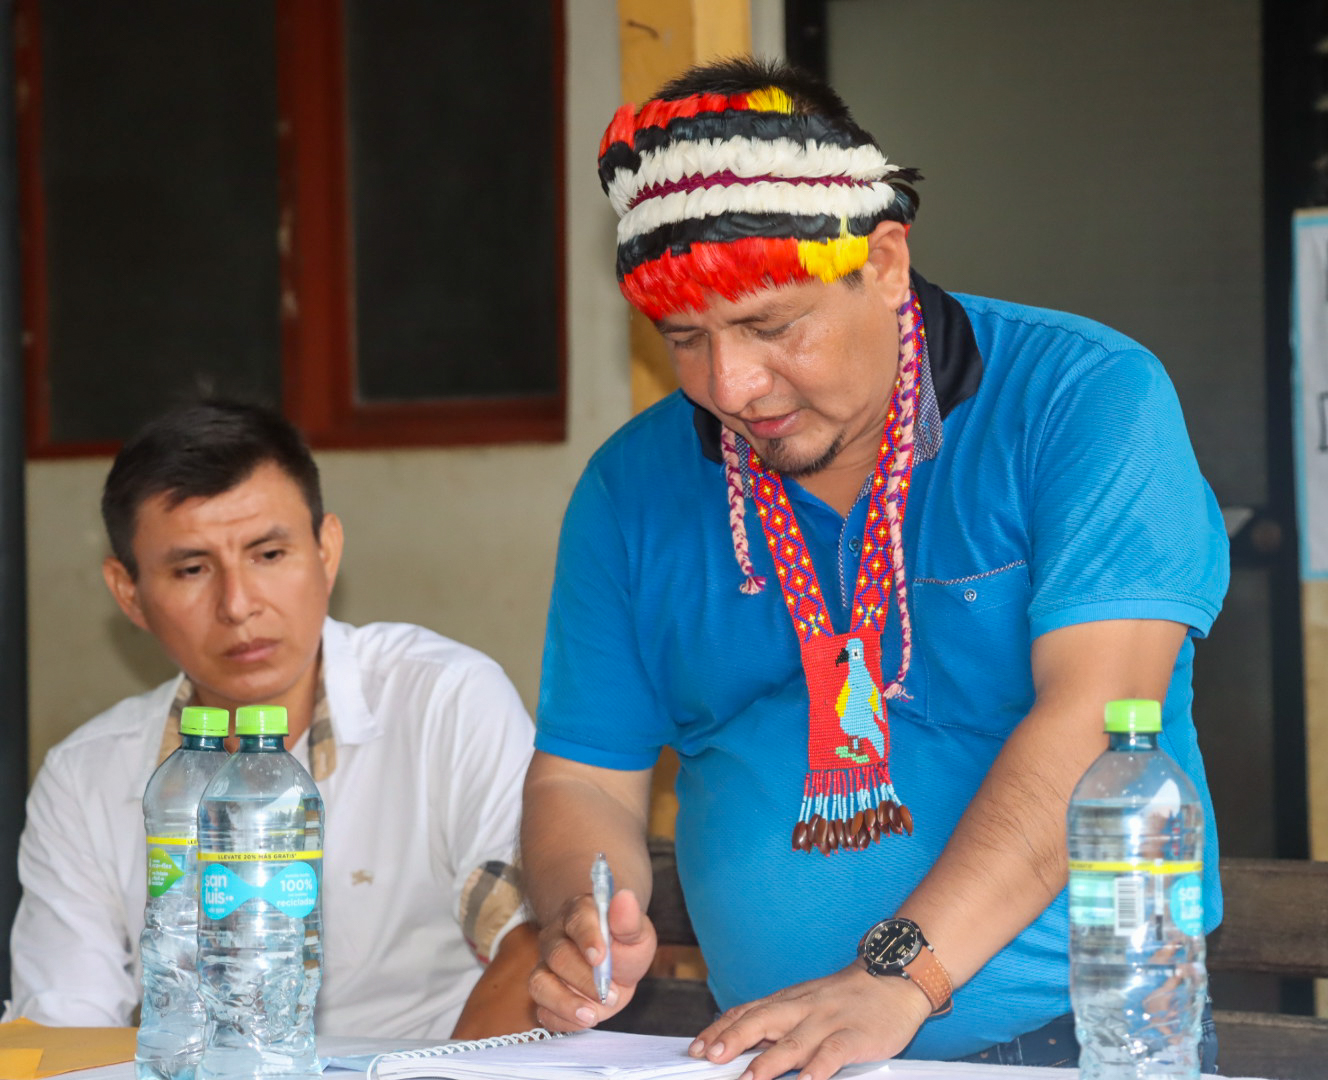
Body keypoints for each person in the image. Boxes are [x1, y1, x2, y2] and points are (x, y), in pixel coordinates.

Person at [522, 57, 1229, 1077]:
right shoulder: (630, 489)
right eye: (686, 339)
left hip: (1086, 1043)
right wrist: (584, 913)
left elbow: (1093, 731)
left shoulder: (1084, 400)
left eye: (771, 326)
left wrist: (896, 975)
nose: (733, 385)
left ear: (888, 261)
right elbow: (585, 774)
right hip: (774, 1052)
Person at [5, 401, 541, 1040]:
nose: (238, 605)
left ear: (326, 549)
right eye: (192, 569)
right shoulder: (85, 777)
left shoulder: (443, 700)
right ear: (129, 594)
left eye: (268, 554)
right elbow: (63, 1027)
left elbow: (535, 943)